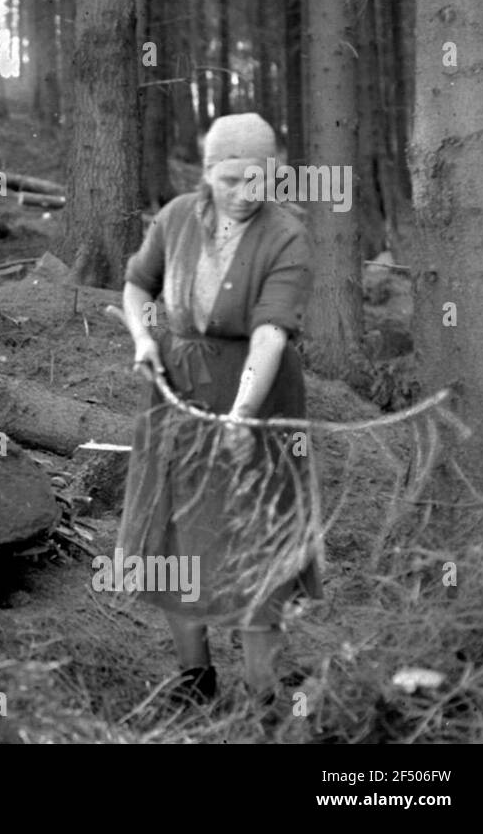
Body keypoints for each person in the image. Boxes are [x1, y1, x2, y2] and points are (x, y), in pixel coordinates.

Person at [115, 112, 321, 708]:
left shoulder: (286, 236)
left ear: (275, 173)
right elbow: (136, 285)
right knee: (177, 532)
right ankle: (194, 676)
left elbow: (271, 335)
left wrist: (242, 413)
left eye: (256, 179)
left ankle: (264, 689)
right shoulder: (176, 217)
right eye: (229, 179)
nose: (243, 193)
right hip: (175, 398)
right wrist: (144, 337)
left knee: (257, 534)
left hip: (258, 402)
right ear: (206, 174)